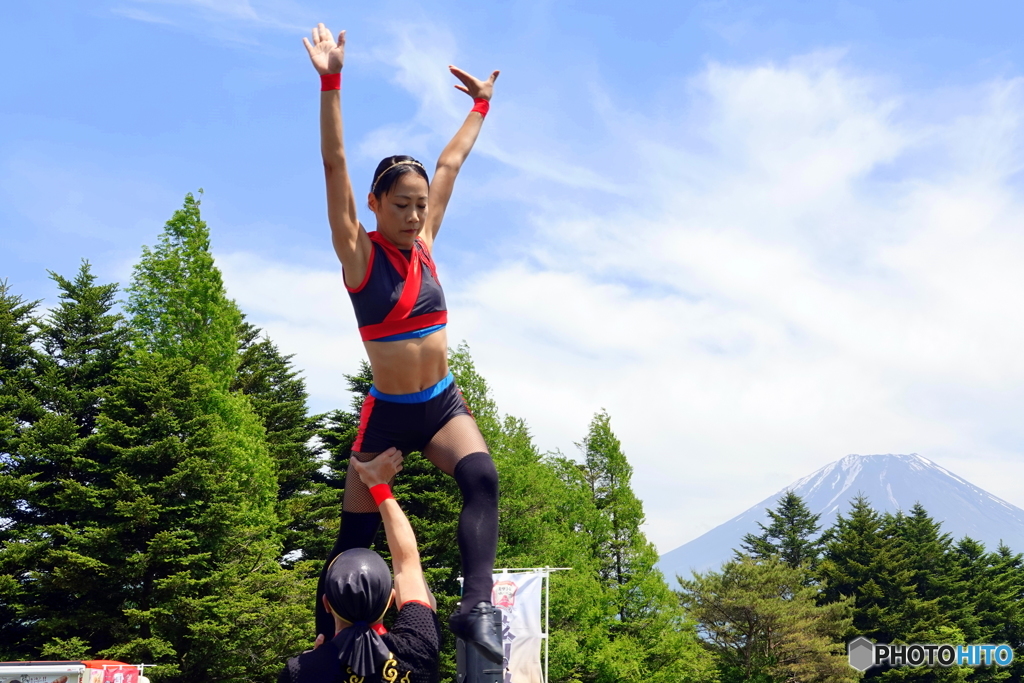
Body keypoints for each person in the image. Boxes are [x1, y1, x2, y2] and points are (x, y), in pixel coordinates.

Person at [302, 23, 502, 662]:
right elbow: (335, 162)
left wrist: (480, 106)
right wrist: (331, 81)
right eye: (403, 206)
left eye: (420, 207)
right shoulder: (359, 256)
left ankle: (475, 610)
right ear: (376, 204)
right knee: (355, 536)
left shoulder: (427, 246)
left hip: (441, 405)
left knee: (482, 478)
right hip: (387, 413)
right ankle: (327, 644)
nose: (415, 216)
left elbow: (449, 165)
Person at [280, 449, 442, 683]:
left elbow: (407, 562)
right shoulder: (418, 649)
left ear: (326, 603)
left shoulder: (300, 671)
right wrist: (378, 484)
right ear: (390, 600)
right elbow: (407, 562)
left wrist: (315, 664)